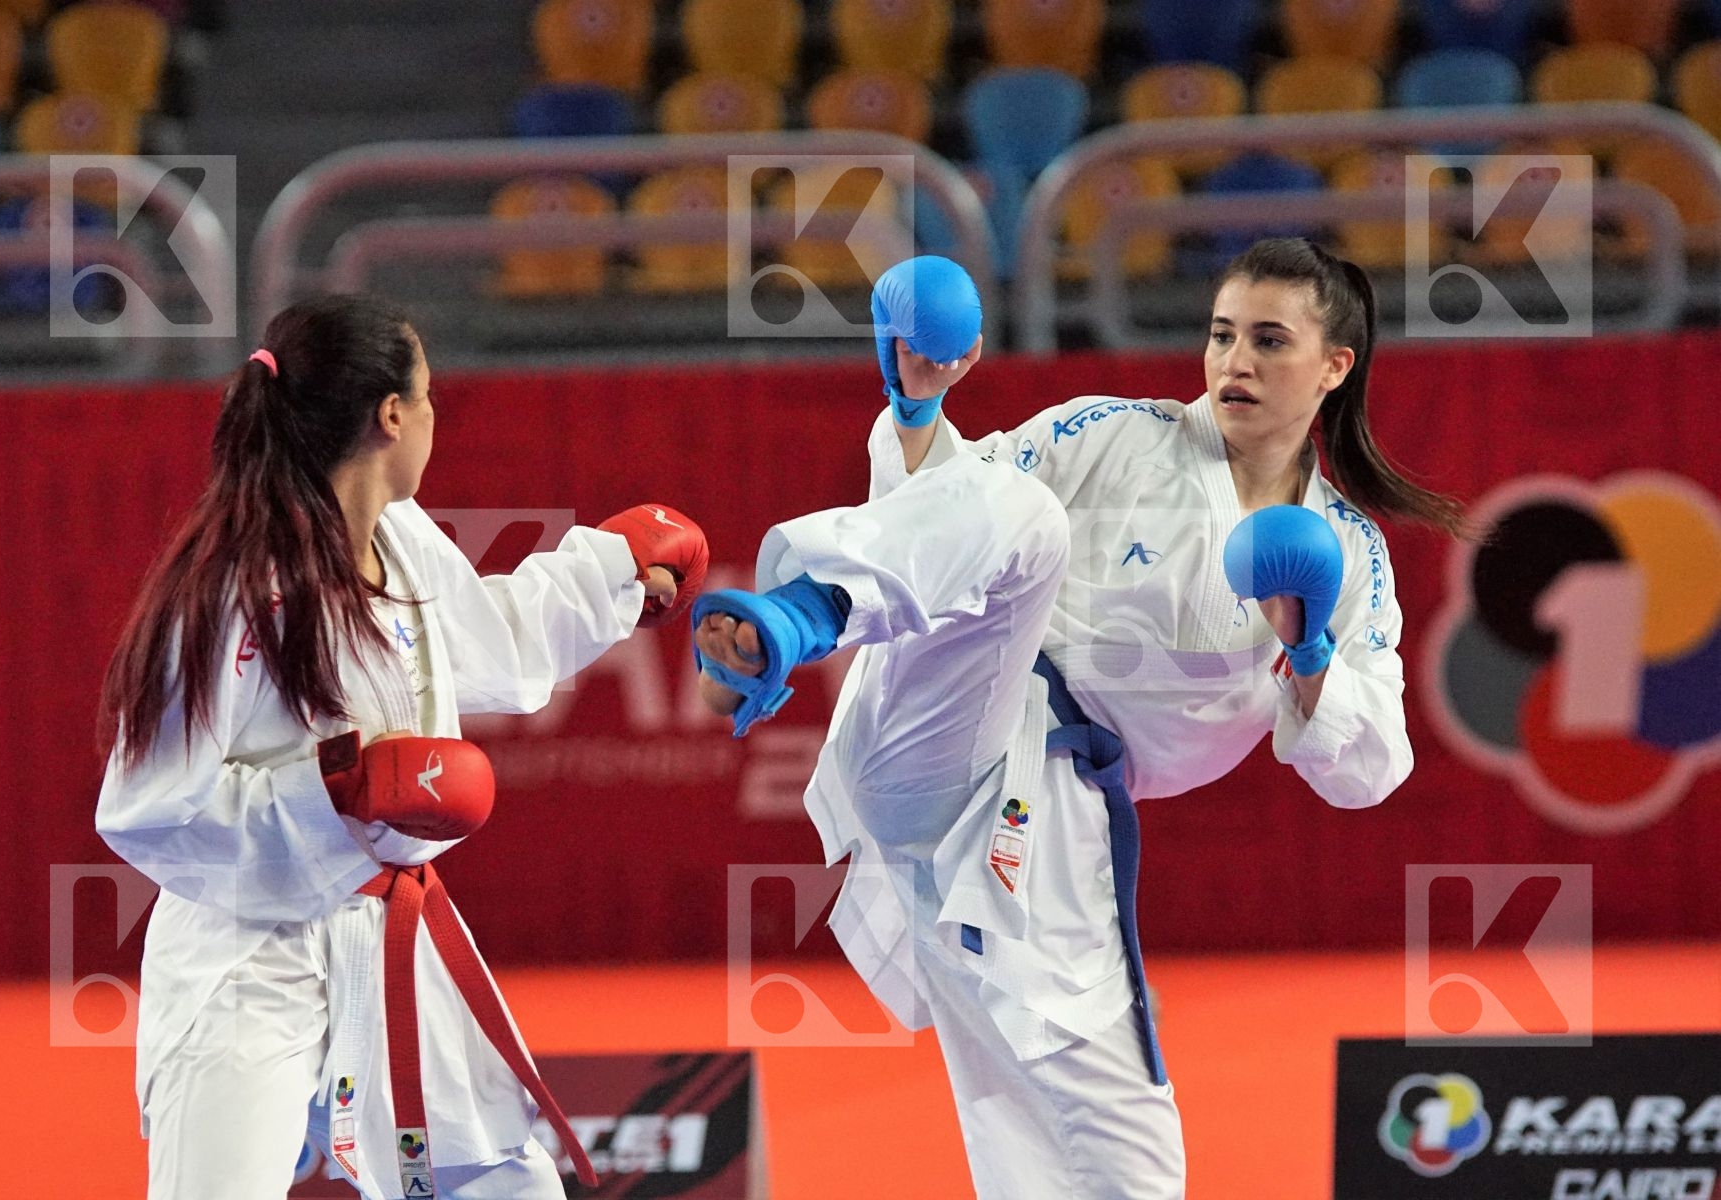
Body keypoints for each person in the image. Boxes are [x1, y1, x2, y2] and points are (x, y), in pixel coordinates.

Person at [691, 243, 1463, 1199]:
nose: (1235, 362)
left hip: (1051, 828)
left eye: (1269, 341)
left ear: (1334, 366)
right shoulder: (1117, 433)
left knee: (1116, 1159)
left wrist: (1308, 655)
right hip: (953, 717)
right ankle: (801, 618)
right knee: (1022, 513)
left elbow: (1372, 770)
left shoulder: (1347, 552)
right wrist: (920, 413)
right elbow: (952, 513)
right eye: (1222, 335)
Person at [95, 294, 709, 1200]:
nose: (433, 417)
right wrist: (334, 793)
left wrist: (610, 569)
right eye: (428, 398)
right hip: (246, 958)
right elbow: (144, 809)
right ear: (391, 415)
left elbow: (491, 645)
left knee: (507, 1187)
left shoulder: (398, 538)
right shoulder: (233, 585)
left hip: (384, 937)